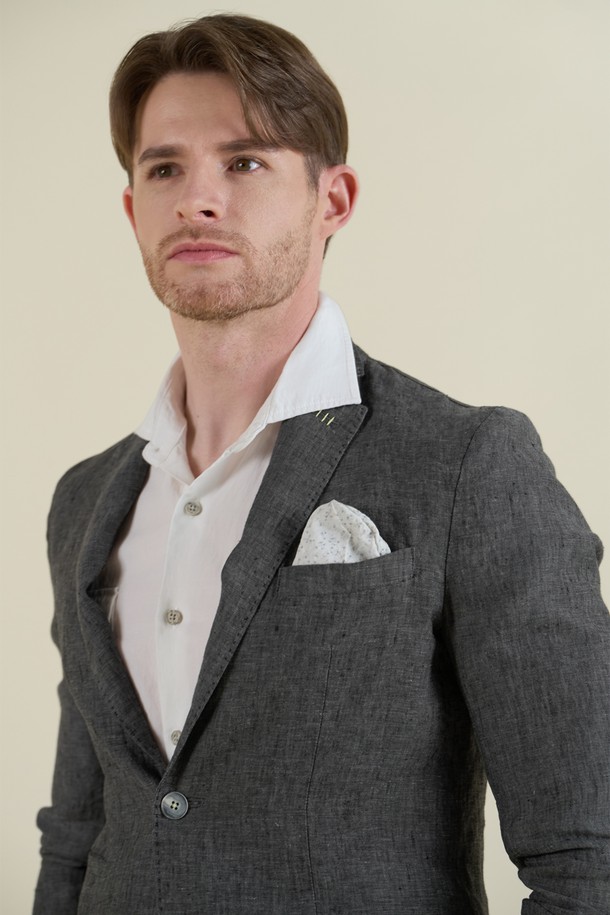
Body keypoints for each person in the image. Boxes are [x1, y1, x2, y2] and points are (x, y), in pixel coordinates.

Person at [34, 13, 610, 915]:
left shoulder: (465, 463)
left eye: (245, 162)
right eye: (165, 168)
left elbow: (590, 858)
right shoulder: (87, 498)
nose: (197, 199)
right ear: (133, 209)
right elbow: (76, 834)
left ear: (332, 200)